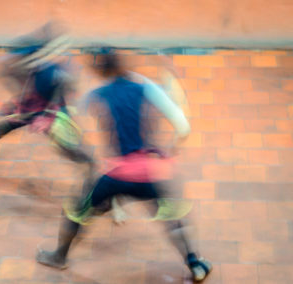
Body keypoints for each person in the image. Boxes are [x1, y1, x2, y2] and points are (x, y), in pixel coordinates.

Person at [36, 47, 212, 282]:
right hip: (149, 174)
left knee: (76, 210)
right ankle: (195, 263)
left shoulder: (97, 94)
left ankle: (59, 257)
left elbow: (77, 111)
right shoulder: (146, 88)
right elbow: (183, 126)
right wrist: (170, 149)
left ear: (100, 70)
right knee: (174, 218)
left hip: (115, 176)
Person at [0, 23, 94, 180]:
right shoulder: (5, 64)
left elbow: (67, 93)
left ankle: (91, 169)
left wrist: (49, 118)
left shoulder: (51, 72)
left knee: (70, 148)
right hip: (22, 109)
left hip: (49, 111)